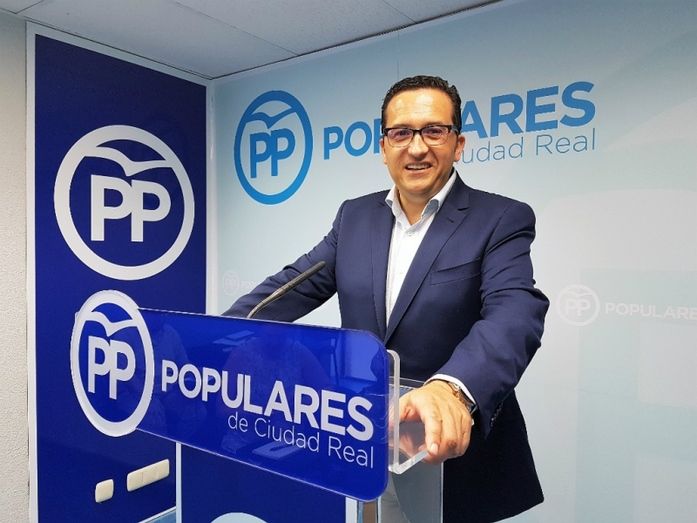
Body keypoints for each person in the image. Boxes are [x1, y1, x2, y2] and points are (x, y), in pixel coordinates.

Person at [225, 75, 549, 522]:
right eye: (401, 133)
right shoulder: (355, 215)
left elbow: (514, 311)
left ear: (458, 144)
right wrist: (217, 333)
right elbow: (295, 283)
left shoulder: (500, 217)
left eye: (433, 131)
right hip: (366, 437)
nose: (416, 148)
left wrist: (452, 388)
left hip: (449, 454)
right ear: (383, 147)